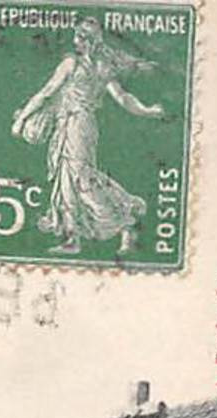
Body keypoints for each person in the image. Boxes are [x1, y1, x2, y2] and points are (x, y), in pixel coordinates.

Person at [10, 17, 165, 255]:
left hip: (75, 125)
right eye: (76, 36)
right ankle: (75, 238)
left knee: (80, 180)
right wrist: (147, 110)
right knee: (69, 180)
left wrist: (21, 120)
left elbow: (46, 93)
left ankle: (125, 222)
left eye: (80, 37)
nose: (75, 41)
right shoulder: (103, 66)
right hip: (79, 125)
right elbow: (123, 98)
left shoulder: (72, 64)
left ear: (89, 40)